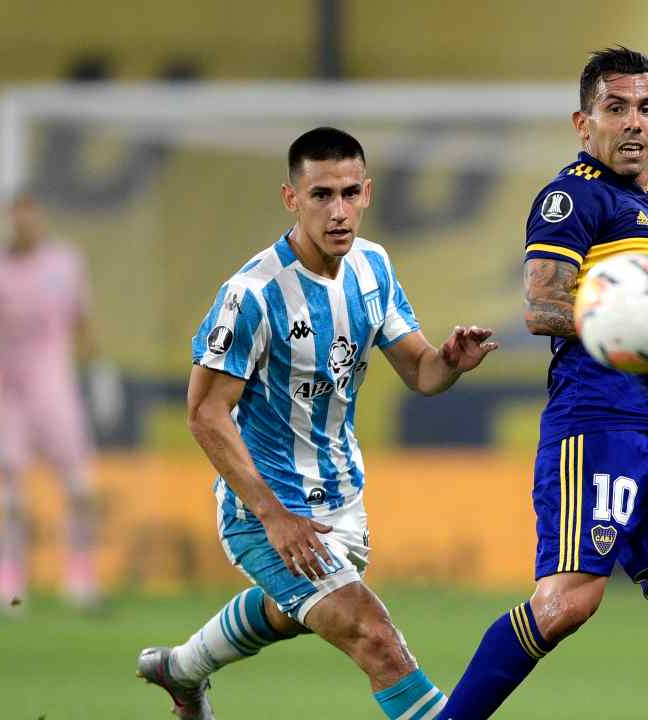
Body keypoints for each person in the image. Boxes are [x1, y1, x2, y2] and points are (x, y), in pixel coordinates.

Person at [136, 127, 498, 720]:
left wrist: (451, 361)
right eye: (321, 195)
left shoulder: (373, 267)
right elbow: (204, 412)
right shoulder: (251, 294)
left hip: (343, 503)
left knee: (291, 611)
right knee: (375, 637)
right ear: (291, 198)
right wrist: (273, 517)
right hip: (268, 511)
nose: (338, 211)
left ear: (367, 193)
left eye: (349, 193)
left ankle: (180, 670)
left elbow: (422, 372)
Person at [439, 47, 648, 720]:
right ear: (583, 123)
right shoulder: (571, 194)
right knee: (567, 603)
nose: (632, 123)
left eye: (645, 108)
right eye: (615, 109)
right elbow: (540, 304)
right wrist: (644, 323)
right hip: (600, 425)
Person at [0, 191, 102, 612]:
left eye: (31, 215)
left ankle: (80, 575)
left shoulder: (64, 263)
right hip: (3, 392)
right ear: (6, 219)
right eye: (17, 216)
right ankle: (8, 582)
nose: (24, 224)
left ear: (41, 217)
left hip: (55, 387)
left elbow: (83, 320)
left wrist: (99, 377)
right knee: (9, 491)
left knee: (80, 485)